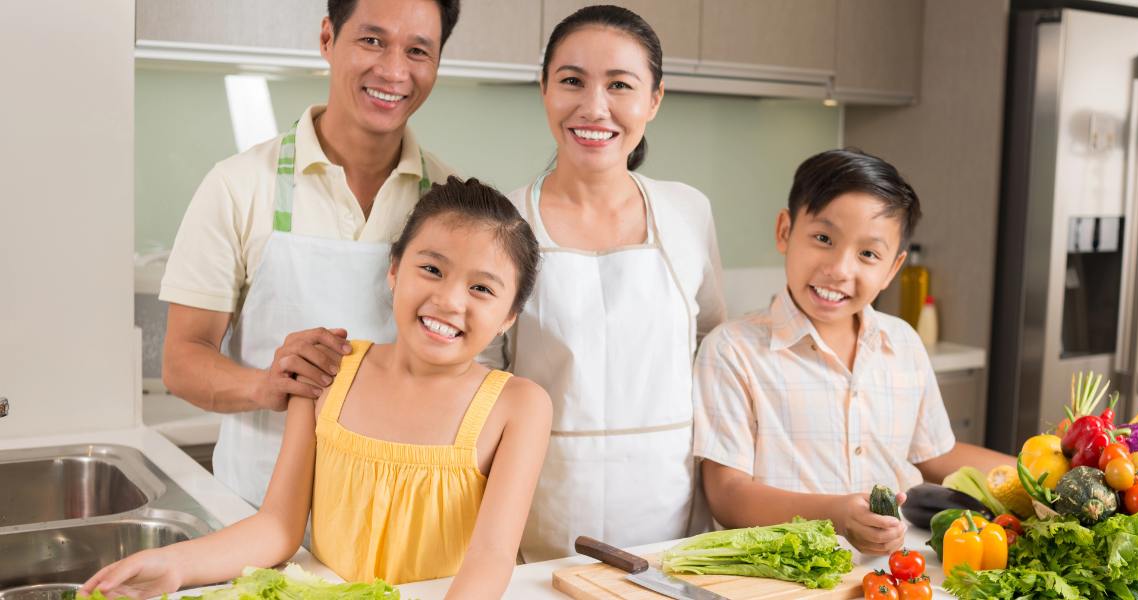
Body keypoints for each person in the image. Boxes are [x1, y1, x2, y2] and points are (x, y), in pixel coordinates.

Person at [83, 178, 552, 598]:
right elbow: (277, 526)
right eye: (432, 269)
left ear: (509, 316)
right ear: (394, 270)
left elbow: (490, 559)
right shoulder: (330, 370)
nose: (448, 300)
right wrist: (175, 565)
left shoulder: (518, 406)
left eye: (482, 289)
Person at [158, 0, 459, 506]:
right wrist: (265, 385)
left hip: (396, 512)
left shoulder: (453, 203)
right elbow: (182, 360)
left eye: (417, 51)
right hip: (256, 508)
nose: (393, 71)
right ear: (327, 39)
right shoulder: (238, 186)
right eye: (372, 41)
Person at [486, 5, 726, 562]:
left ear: (654, 99)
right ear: (544, 89)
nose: (594, 107)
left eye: (620, 84)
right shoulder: (500, 223)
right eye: (572, 81)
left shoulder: (688, 212)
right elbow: (478, 378)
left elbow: (714, 347)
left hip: (671, 520)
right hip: (540, 515)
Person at [693, 149, 1013, 555]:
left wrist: (1043, 469)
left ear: (892, 268)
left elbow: (936, 454)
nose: (840, 269)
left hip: (894, 571)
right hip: (783, 575)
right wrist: (836, 516)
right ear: (785, 231)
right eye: (823, 239)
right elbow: (728, 494)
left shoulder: (902, 342)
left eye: (868, 254)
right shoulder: (733, 349)